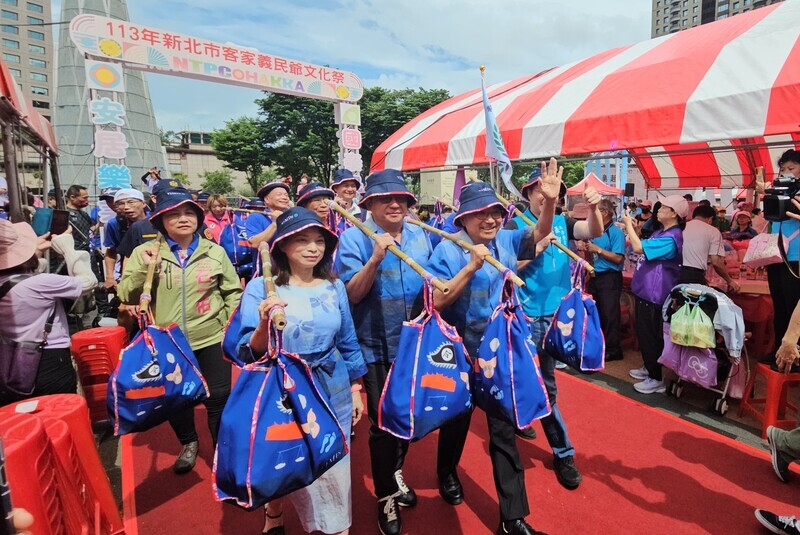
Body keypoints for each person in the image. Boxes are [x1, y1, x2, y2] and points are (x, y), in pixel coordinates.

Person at [427, 168, 560, 535]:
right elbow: (436, 300)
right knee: (457, 422)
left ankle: (512, 518)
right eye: (480, 213)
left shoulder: (506, 239)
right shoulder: (447, 248)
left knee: (503, 430)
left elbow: (540, 233)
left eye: (496, 213)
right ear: (463, 218)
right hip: (460, 352)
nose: (490, 220)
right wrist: (471, 266)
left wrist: (549, 202)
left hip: (499, 354)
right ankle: (446, 472)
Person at [235, 206, 366, 535]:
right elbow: (248, 351)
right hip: (284, 387)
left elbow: (347, 339)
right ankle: (275, 509)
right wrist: (263, 323)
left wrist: (356, 388)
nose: (313, 248)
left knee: (333, 460)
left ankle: (334, 526)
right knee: (288, 454)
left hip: (332, 383)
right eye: (302, 240)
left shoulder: (334, 286)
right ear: (282, 245)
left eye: (319, 241)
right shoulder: (261, 289)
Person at [118, 186, 242, 473]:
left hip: (211, 337)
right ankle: (188, 442)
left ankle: (221, 451)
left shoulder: (215, 252)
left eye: (189, 213)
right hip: (168, 342)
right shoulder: (144, 253)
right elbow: (126, 294)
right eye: (174, 214)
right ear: (161, 220)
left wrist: (227, 326)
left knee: (218, 397)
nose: (183, 219)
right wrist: (145, 269)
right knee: (177, 398)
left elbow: (232, 292)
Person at [334, 169, 432, 535]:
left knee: (406, 417)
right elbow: (352, 294)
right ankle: (386, 496)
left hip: (415, 344)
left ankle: (394, 470)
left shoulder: (421, 235)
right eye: (385, 198)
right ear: (369, 204)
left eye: (401, 198)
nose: (394, 204)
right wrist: (375, 258)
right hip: (375, 346)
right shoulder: (353, 238)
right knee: (382, 425)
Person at [504, 163, 603, 489]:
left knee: (546, 385)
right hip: (528, 317)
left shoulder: (562, 222)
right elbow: (507, 268)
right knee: (531, 379)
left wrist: (595, 208)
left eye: (553, 190)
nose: (546, 194)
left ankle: (555, 445)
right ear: (528, 193)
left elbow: (593, 231)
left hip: (559, 318)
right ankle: (563, 451)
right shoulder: (515, 225)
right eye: (539, 188)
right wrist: (535, 250)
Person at [0, 220, 97, 406]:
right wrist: (68, 249)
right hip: (50, 359)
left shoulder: (16, 283)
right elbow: (88, 282)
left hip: (9, 361)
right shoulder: (40, 283)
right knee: (58, 412)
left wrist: (31, 252)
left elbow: (23, 272)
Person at [622, 195, 687, 394]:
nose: (659, 209)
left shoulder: (672, 237)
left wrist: (628, 225)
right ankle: (650, 366)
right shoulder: (661, 232)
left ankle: (656, 377)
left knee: (651, 335)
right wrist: (634, 229)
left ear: (674, 213)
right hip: (647, 290)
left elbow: (638, 247)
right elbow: (643, 245)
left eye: (664, 207)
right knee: (645, 333)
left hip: (655, 292)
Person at [585, 199, 626, 362]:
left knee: (610, 314)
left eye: (595, 211)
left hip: (610, 276)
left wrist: (598, 250)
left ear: (605, 213)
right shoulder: (594, 230)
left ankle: (614, 349)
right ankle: (599, 345)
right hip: (595, 275)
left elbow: (618, 258)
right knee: (596, 312)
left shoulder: (615, 232)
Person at [768, 149, 800, 355]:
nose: (786, 173)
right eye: (782, 169)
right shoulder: (777, 193)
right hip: (776, 255)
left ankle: (794, 352)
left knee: (793, 306)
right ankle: (778, 351)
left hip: (795, 258)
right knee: (778, 305)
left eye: (791, 168)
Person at [680, 204, 739, 292]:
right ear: (710, 218)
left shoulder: (680, 227)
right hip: (693, 275)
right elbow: (716, 262)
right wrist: (729, 281)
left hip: (674, 272)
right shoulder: (713, 231)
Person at [103, 188, 148, 290]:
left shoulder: (156, 221)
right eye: (121, 204)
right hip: (128, 272)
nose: (126, 207)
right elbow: (111, 252)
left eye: (131, 202)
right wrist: (110, 277)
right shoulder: (114, 224)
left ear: (143, 203)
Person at [246, 181, 292, 249]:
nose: (284, 198)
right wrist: (274, 223)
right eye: (279, 194)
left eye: (286, 195)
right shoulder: (256, 216)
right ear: (267, 199)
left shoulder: (291, 216)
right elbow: (254, 243)